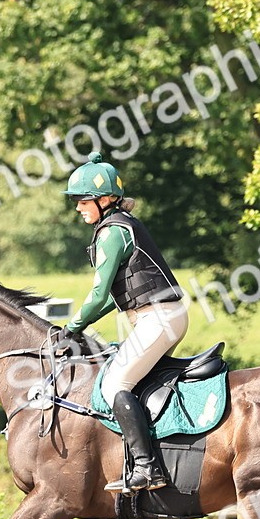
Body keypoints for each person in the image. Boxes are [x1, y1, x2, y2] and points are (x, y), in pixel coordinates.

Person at [60, 152, 189, 493]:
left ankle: (148, 468)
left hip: (157, 320)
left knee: (114, 383)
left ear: (104, 200)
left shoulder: (112, 232)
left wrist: (71, 328)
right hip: (162, 317)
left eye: (83, 200)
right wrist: (81, 324)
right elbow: (112, 299)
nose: (78, 208)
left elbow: (98, 294)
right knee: (133, 381)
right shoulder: (121, 224)